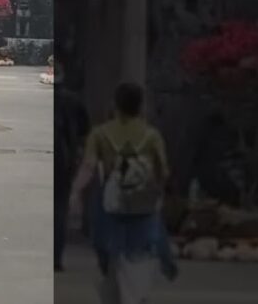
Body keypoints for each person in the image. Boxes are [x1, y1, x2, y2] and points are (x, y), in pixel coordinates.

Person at [68, 82, 177, 303]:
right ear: (141, 106)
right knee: (141, 249)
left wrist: (75, 192)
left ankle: (115, 283)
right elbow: (163, 171)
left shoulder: (100, 134)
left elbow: (89, 166)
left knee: (107, 246)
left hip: (111, 202)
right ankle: (137, 290)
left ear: (114, 104)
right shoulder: (152, 135)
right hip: (143, 203)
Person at [55, 86, 90, 272]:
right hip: (64, 160)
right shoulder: (72, 100)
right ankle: (55, 258)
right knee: (59, 209)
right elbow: (85, 131)